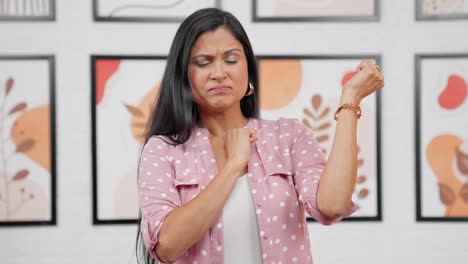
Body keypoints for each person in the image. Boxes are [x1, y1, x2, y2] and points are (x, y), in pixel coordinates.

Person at [135, 7, 384, 264]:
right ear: (184, 75)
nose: (219, 72)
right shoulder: (163, 149)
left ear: (247, 69)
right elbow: (166, 246)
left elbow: (333, 206)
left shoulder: (287, 136)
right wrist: (233, 166)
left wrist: (350, 101)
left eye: (231, 60)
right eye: (203, 62)